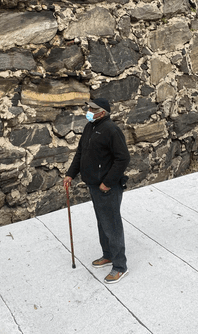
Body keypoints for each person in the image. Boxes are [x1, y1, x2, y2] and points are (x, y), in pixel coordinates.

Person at [63, 97, 131, 283]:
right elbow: (80, 153)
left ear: (102, 112)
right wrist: (71, 174)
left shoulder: (112, 130)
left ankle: (119, 266)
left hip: (107, 187)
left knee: (112, 225)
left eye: (93, 109)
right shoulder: (90, 127)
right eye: (89, 108)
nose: (89, 111)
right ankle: (108, 254)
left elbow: (123, 159)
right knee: (103, 222)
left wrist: (107, 182)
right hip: (94, 185)